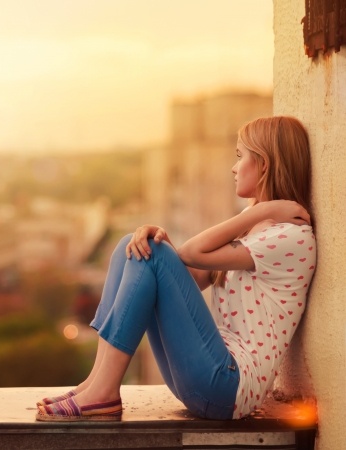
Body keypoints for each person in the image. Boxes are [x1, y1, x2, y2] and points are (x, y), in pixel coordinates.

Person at [36, 116, 316, 422]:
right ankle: (95, 384)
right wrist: (162, 248)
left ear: (263, 164)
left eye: (240, 156)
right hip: (205, 374)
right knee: (131, 245)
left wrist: (262, 209)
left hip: (227, 386)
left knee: (149, 251)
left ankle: (102, 395)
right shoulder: (256, 230)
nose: (234, 168)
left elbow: (193, 253)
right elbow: (191, 276)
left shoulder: (290, 236)